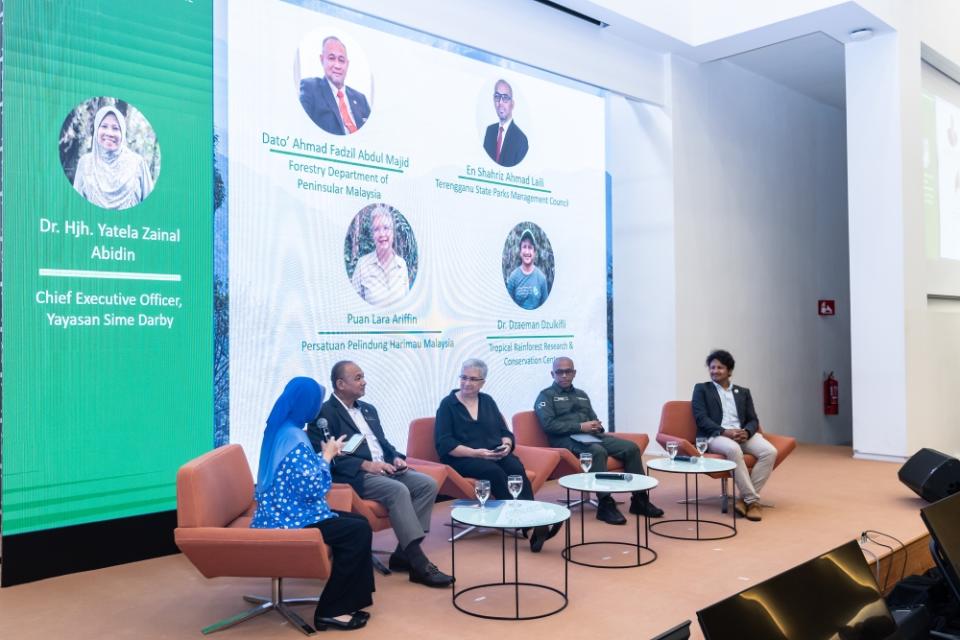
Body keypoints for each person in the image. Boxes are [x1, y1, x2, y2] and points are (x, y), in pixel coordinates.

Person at [307, 361, 453, 588]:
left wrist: (395, 457)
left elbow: (383, 444)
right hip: (354, 476)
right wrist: (366, 465)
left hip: (386, 468)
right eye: (357, 378)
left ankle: (402, 554)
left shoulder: (368, 409)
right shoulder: (323, 414)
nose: (364, 381)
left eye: (363, 376)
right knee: (398, 490)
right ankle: (418, 563)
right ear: (340, 384)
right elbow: (327, 457)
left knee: (427, 484)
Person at [251, 377, 375, 631]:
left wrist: (322, 456)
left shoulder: (282, 427)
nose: (318, 407)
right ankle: (331, 610)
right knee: (357, 531)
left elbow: (297, 475)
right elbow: (312, 488)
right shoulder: (295, 437)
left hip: (283, 510)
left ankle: (350, 597)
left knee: (358, 522)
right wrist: (327, 456)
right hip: (288, 519)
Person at [435, 358, 559, 551]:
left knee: (515, 468)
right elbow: (445, 444)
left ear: (483, 382)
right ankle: (526, 521)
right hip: (462, 458)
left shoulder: (487, 401)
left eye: (473, 379)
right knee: (493, 472)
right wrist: (476, 453)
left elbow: (504, 432)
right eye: (464, 377)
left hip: (493, 453)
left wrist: (507, 445)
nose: (467, 383)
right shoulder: (448, 405)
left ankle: (532, 519)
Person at [534, 357, 663, 524]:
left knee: (631, 448)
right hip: (564, 440)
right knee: (597, 451)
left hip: (592, 436)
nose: (564, 375)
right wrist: (581, 427)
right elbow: (549, 425)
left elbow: (593, 418)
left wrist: (597, 426)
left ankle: (640, 500)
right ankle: (605, 504)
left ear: (574, 373)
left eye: (568, 371)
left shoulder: (582, 395)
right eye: (560, 372)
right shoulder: (545, 396)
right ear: (553, 374)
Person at [691, 349, 778, 522]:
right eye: (712, 367)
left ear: (729, 371)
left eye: (720, 368)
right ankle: (752, 502)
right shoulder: (702, 389)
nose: (715, 371)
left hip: (741, 434)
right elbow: (701, 418)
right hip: (716, 435)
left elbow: (753, 419)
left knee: (770, 452)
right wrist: (725, 431)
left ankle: (742, 499)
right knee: (733, 450)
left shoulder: (743, 392)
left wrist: (746, 432)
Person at [72, 105, 155, 210]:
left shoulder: (137, 164)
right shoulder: (85, 163)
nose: (109, 133)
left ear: (123, 133)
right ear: (96, 129)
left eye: (115, 128)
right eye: (104, 126)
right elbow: (75, 209)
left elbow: (151, 209)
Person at [299, 36, 371, 135]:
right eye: (331, 58)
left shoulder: (361, 99)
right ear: (322, 60)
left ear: (347, 64)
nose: (337, 65)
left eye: (341, 60)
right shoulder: (310, 88)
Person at [350, 205, 410, 306]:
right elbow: (353, 306)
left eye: (386, 228)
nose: (382, 234)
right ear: (372, 235)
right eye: (376, 229)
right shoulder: (362, 265)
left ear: (393, 232)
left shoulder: (402, 265)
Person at [482, 79, 528, 167]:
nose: (500, 103)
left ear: (512, 104)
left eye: (505, 98)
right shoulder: (489, 131)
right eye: (497, 97)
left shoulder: (521, 140)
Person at [506, 228, 549, 310]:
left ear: (534, 252)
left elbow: (546, 310)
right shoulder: (513, 277)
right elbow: (508, 309)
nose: (527, 251)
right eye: (524, 247)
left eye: (530, 247)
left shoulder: (541, 278)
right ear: (520, 251)